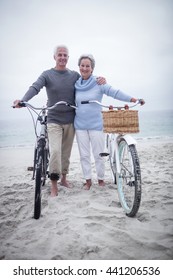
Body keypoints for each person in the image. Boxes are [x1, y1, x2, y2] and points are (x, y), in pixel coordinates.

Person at [13, 45, 105, 197]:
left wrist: (100, 79)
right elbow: (35, 87)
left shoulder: (74, 75)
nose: (62, 57)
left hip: (70, 120)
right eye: (60, 55)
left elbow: (87, 79)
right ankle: (54, 185)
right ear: (54, 57)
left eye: (65, 55)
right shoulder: (47, 74)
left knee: (65, 154)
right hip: (54, 119)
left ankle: (63, 179)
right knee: (55, 151)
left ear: (68, 58)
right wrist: (23, 100)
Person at [74, 54, 145, 190]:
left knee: (99, 155)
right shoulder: (76, 84)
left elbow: (115, 92)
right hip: (80, 125)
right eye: (82, 65)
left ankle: (101, 180)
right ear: (79, 67)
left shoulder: (99, 82)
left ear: (92, 68)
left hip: (96, 125)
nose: (84, 68)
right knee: (84, 155)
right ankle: (88, 181)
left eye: (87, 66)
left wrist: (133, 99)